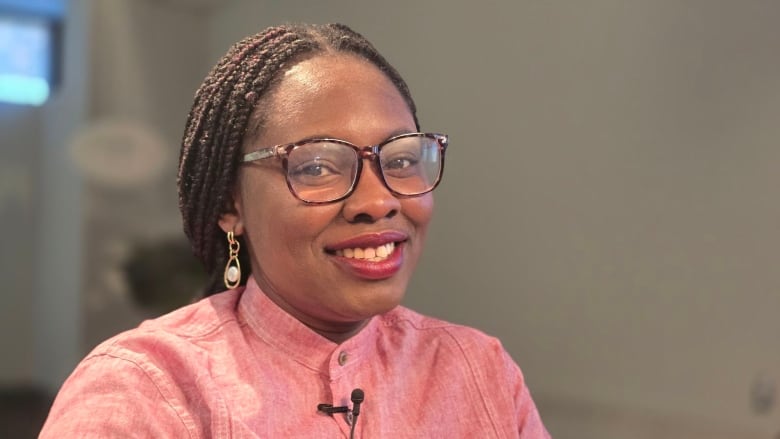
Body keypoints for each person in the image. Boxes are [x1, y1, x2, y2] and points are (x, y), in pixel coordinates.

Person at [39, 23, 550, 438]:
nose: (378, 201)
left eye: (399, 159)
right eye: (316, 167)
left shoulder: (479, 372)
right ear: (228, 203)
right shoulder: (142, 392)